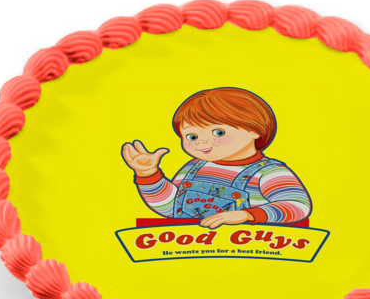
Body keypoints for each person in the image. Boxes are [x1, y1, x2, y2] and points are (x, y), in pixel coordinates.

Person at [122, 87, 312, 228]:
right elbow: (170, 208)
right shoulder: (193, 168)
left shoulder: (270, 173)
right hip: (189, 252)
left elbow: (297, 206)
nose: (202, 142)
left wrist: (248, 215)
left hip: (250, 254)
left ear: (254, 130)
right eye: (192, 136)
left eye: (218, 132)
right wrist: (148, 175)